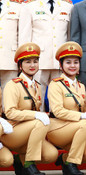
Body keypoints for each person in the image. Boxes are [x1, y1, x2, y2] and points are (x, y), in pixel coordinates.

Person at [1, 43, 58, 175]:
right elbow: (10, 112)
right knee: (40, 121)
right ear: (20, 66)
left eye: (35, 61)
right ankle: (29, 164)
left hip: (29, 131)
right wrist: (35, 115)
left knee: (51, 155)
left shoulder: (36, 86)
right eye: (28, 62)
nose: (32, 65)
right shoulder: (12, 85)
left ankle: (19, 160)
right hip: (13, 132)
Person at [45, 42, 86, 175]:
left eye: (76, 62)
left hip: (77, 128)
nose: (72, 66)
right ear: (61, 65)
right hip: (58, 128)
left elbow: (85, 109)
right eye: (68, 62)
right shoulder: (55, 84)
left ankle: (65, 159)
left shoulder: (81, 86)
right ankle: (72, 163)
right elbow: (57, 111)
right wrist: (82, 117)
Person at [19, 0, 72, 85]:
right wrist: (25, 61)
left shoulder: (67, 6)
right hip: (38, 62)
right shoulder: (28, 6)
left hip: (61, 62)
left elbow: (69, 36)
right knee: (37, 99)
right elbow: (24, 37)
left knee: (61, 99)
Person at [0, 0, 22, 87]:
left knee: (9, 99)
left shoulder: (17, 7)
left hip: (10, 59)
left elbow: (22, 35)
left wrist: (21, 60)